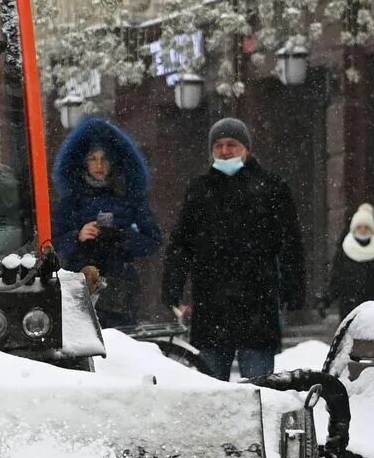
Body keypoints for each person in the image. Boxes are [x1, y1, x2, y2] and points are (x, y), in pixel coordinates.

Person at [162, 117, 306, 381]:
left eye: (232, 144)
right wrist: (172, 287)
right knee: (211, 391)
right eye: (218, 145)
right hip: (211, 303)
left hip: (257, 302)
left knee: (259, 390)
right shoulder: (199, 190)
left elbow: (290, 243)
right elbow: (181, 244)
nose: (225, 151)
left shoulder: (272, 188)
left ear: (246, 148)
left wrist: (293, 288)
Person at [50, 115, 163, 329]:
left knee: (121, 349)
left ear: (115, 162)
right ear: (83, 162)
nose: (99, 165)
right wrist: (79, 236)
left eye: (105, 158)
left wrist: (123, 237)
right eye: (93, 158)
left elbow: (154, 241)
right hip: (79, 284)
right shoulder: (71, 201)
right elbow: (52, 243)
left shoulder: (130, 198)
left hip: (121, 288)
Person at [316, 203, 374, 319]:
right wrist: (325, 300)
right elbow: (336, 280)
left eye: (366, 227)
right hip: (350, 309)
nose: (362, 230)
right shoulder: (345, 251)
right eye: (359, 227)